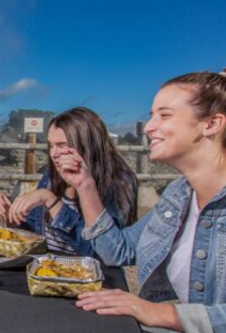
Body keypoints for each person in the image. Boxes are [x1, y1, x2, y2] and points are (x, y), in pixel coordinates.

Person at [69, 68, 226, 332]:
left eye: (164, 115)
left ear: (211, 124)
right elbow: (120, 251)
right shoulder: (178, 195)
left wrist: (157, 313)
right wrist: (85, 186)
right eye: (152, 115)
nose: (149, 127)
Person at [0, 107, 138, 256]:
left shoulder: (118, 181)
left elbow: (103, 253)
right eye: (51, 145)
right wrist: (13, 217)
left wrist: (50, 200)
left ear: (87, 144)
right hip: (48, 269)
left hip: (93, 275)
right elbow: (34, 233)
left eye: (62, 145)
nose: (54, 153)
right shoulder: (51, 175)